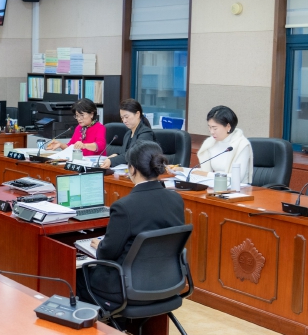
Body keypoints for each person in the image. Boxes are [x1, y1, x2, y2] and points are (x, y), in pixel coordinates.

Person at [78, 140, 185, 309]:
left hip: (127, 288)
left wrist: (100, 246)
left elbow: (107, 253)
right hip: (169, 283)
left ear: (132, 169)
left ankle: (106, 325)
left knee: (78, 274)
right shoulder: (176, 199)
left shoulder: (124, 207)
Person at [196, 105, 253, 184]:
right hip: (215, 185)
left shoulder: (242, 145)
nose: (211, 132)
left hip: (238, 189)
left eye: (215, 128)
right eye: (209, 127)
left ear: (228, 126)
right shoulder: (210, 143)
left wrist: (207, 175)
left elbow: (237, 178)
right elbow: (204, 171)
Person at [100, 99, 156, 168]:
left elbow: (135, 155)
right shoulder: (128, 134)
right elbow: (125, 153)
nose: (124, 121)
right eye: (122, 118)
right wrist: (117, 155)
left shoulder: (146, 133)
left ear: (137, 114)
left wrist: (112, 161)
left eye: (126, 117)